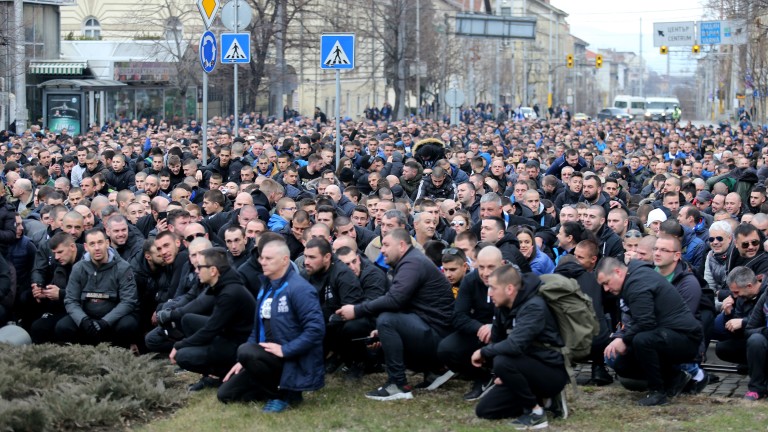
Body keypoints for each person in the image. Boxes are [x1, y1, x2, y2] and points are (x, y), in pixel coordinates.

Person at [337, 228, 455, 401]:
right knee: (385, 328)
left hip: (438, 336)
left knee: (386, 320)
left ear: (401, 246)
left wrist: (356, 310)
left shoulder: (412, 263)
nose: (382, 249)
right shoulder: (410, 262)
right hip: (434, 331)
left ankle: (398, 384)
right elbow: (406, 304)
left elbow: (395, 300)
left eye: (385, 245)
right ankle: (435, 370)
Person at [217, 237, 324, 412]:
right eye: (261, 258)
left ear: (284, 260)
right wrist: (244, 362)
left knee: (245, 350)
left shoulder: (300, 289)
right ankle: (273, 388)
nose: (262, 262)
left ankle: (284, 395)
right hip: (266, 356)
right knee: (225, 394)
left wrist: (285, 350)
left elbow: (316, 330)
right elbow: (257, 327)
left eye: (268, 259)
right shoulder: (266, 286)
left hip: (291, 359)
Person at [472, 264, 569, 429]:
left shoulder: (534, 306)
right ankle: (543, 401)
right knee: (485, 410)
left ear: (509, 289)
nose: (489, 293)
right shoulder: (501, 307)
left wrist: (483, 352)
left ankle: (536, 413)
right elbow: (497, 341)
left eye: (493, 288)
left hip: (550, 371)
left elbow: (514, 346)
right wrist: (501, 374)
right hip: (523, 368)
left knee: (503, 361)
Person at [597, 258, 702, 406]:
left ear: (618, 272)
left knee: (642, 340)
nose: (606, 289)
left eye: (606, 283)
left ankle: (657, 392)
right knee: (622, 362)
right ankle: (674, 378)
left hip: (686, 338)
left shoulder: (636, 283)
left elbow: (646, 322)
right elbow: (640, 320)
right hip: (670, 334)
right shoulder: (634, 277)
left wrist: (623, 339)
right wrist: (621, 337)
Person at [170, 248, 256, 392]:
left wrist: (179, 345)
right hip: (226, 334)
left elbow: (210, 330)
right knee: (188, 320)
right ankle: (210, 373)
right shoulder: (223, 283)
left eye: (199, 267)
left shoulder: (230, 293)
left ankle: (220, 373)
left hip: (238, 344)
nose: (196, 271)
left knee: (183, 356)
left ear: (213, 271)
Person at [56, 228, 140, 348]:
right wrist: (83, 320)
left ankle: (119, 358)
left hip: (113, 319)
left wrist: (106, 322)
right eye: (92, 244)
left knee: (129, 325)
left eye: (100, 242)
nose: (97, 248)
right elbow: (70, 300)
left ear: (107, 243)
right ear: (86, 247)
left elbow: (128, 301)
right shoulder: (78, 268)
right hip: (87, 317)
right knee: (63, 326)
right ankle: (81, 357)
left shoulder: (123, 267)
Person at [438, 246, 501, 401]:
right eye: (481, 267)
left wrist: (495, 328)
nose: (485, 273)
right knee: (446, 349)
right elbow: (458, 316)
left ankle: (504, 377)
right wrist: (480, 328)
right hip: (478, 331)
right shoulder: (470, 281)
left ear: (502, 264)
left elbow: (522, 316)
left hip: (507, 332)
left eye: (491, 267)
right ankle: (481, 377)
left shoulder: (514, 280)